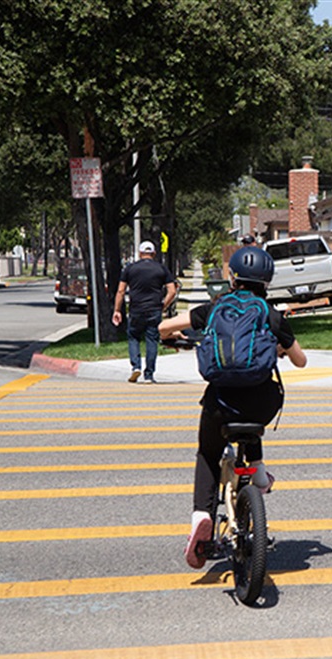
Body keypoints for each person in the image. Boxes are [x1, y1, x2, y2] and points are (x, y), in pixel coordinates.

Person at [159, 245, 307, 569]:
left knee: (208, 454)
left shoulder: (213, 309)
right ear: (267, 280)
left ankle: (201, 515)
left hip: (220, 402)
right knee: (254, 408)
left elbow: (163, 329)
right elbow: (301, 361)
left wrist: (180, 336)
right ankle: (258, 475)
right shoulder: (272, 315)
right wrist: (280, 348)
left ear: (233, 277)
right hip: (260, 403)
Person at [113, 240, 177, 383]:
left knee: (133, 337)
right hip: (154, 309)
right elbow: (172, 291)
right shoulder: (161, 269)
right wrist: (163, 306)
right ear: (154, 253)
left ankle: (136, 366)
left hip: (136, 309)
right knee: (152, 340)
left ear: (140, 253)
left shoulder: (130, 269)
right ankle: (149, 375)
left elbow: (121, 290)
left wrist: (117, 310)